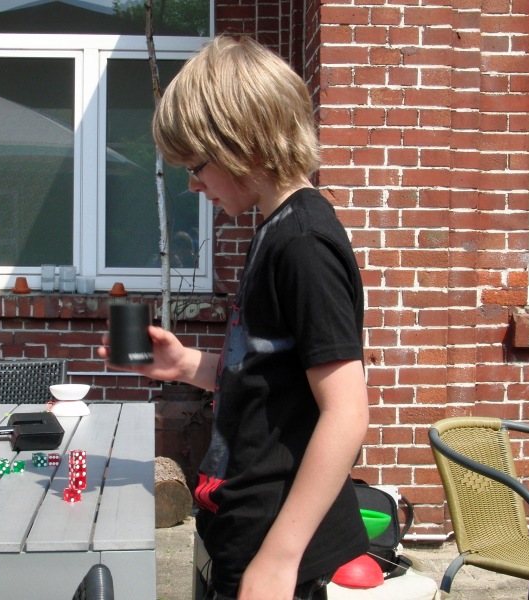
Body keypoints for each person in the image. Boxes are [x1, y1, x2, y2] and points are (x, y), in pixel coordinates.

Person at [98, 35, 370, 600]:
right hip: (244, 527)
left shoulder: (303, 243)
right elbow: (273, 377)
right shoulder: (271, 231)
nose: (194, 185)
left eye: (197, 166)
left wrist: (278, 559)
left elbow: (346, 412)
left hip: (272, 544)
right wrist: (188, 365)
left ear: (245, 143)